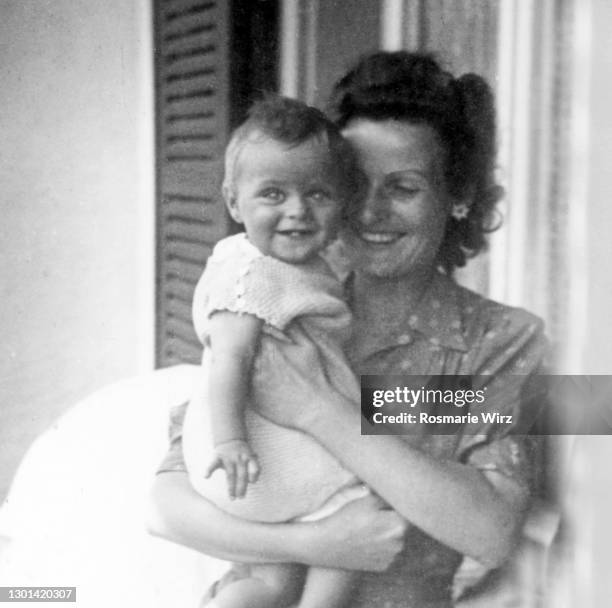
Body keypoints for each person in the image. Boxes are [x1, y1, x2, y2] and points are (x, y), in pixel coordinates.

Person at [149, 51, 548, 608]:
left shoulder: (497, 343)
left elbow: (492, 529)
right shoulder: (278, 299)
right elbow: (164, 505)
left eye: (403, 188)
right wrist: (317, 543)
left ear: (457, 198)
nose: (370, 211)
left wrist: (322, 411)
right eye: (353, 186)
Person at [181, 94, 369, 608]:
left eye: (318, 194)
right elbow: (230, 359)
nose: (297, 211)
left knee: (269, 584)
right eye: (273, 193)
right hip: (256, 458)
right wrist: (231, 439)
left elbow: (568, 407)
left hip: (263, 473)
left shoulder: (303, 270)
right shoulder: (250, 272)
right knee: (359, 509)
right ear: (233, 201)